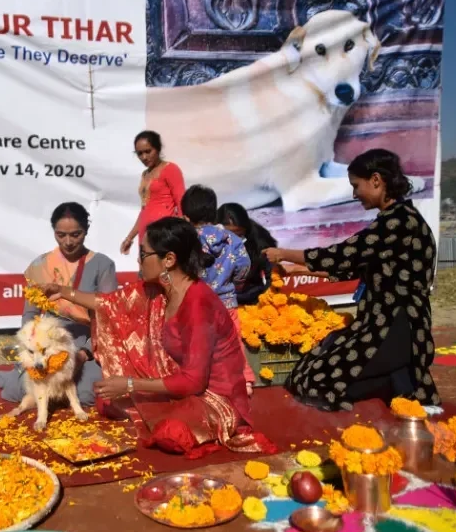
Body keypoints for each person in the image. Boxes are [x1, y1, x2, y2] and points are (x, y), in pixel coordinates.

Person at [41, 217, 273, 457]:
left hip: (214, 397)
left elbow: (195, 383)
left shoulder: (198, 303)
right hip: (178, 383)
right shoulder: (160, 288)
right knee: (107, 403)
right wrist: (63, 292)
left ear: (169, 260)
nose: (138, 260)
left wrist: (129, 384)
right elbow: (109, 304)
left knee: (171, 434)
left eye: (143, 254)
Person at [264, 149, 439, 411]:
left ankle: (399, 380)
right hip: (379, 326)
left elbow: (343, 254)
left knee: (313, 383)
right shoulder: (395, 220)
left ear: (376, 180)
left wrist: (284, 253)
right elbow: (353, 266)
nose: (355, 194)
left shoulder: (398, 222)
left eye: (357, 186)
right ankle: (399, 379)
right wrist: (299, 271)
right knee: (309, 367)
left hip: (395, 329)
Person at [0, 202, 118, 406]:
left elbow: (109, 315)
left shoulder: (102, 264)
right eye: (61, 235)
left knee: (87, 393)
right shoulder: (40, 265)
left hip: (89, 338)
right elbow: (30, 315)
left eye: (75, 235)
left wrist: (84, 353)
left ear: (86, 231)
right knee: (16, 389)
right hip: (48, 341)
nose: (68, 242)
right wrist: (34, 346)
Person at [181, 186, 256, 394]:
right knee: (233, 343)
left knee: (198, 345)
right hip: (227, 302)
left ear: (185, 216)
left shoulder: (185, 240)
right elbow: (244, 266)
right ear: (214, 213)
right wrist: (235, 284)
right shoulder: (233, 239)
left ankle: (201, 383)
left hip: (196, 304)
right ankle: (245, 382)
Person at [120, 131, 185, 256]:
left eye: (148, 151)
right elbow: (145, 211)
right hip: (145, 234)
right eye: (140, 153)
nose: (144, 157)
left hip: (164, 233)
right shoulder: (145, 175)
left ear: (158, 148)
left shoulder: (170, 169)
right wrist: (129, 238)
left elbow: (181, 201)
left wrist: (181, 232)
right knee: (148, 272)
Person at [217, 203, 278, 306]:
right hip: (221, 300)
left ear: (246, 228)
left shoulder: (260, 239)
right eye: (229, 234)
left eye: (239, 234)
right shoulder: (209, 239)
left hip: (252, 298)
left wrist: (266, 300)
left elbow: (271, 275)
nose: (234, 239)